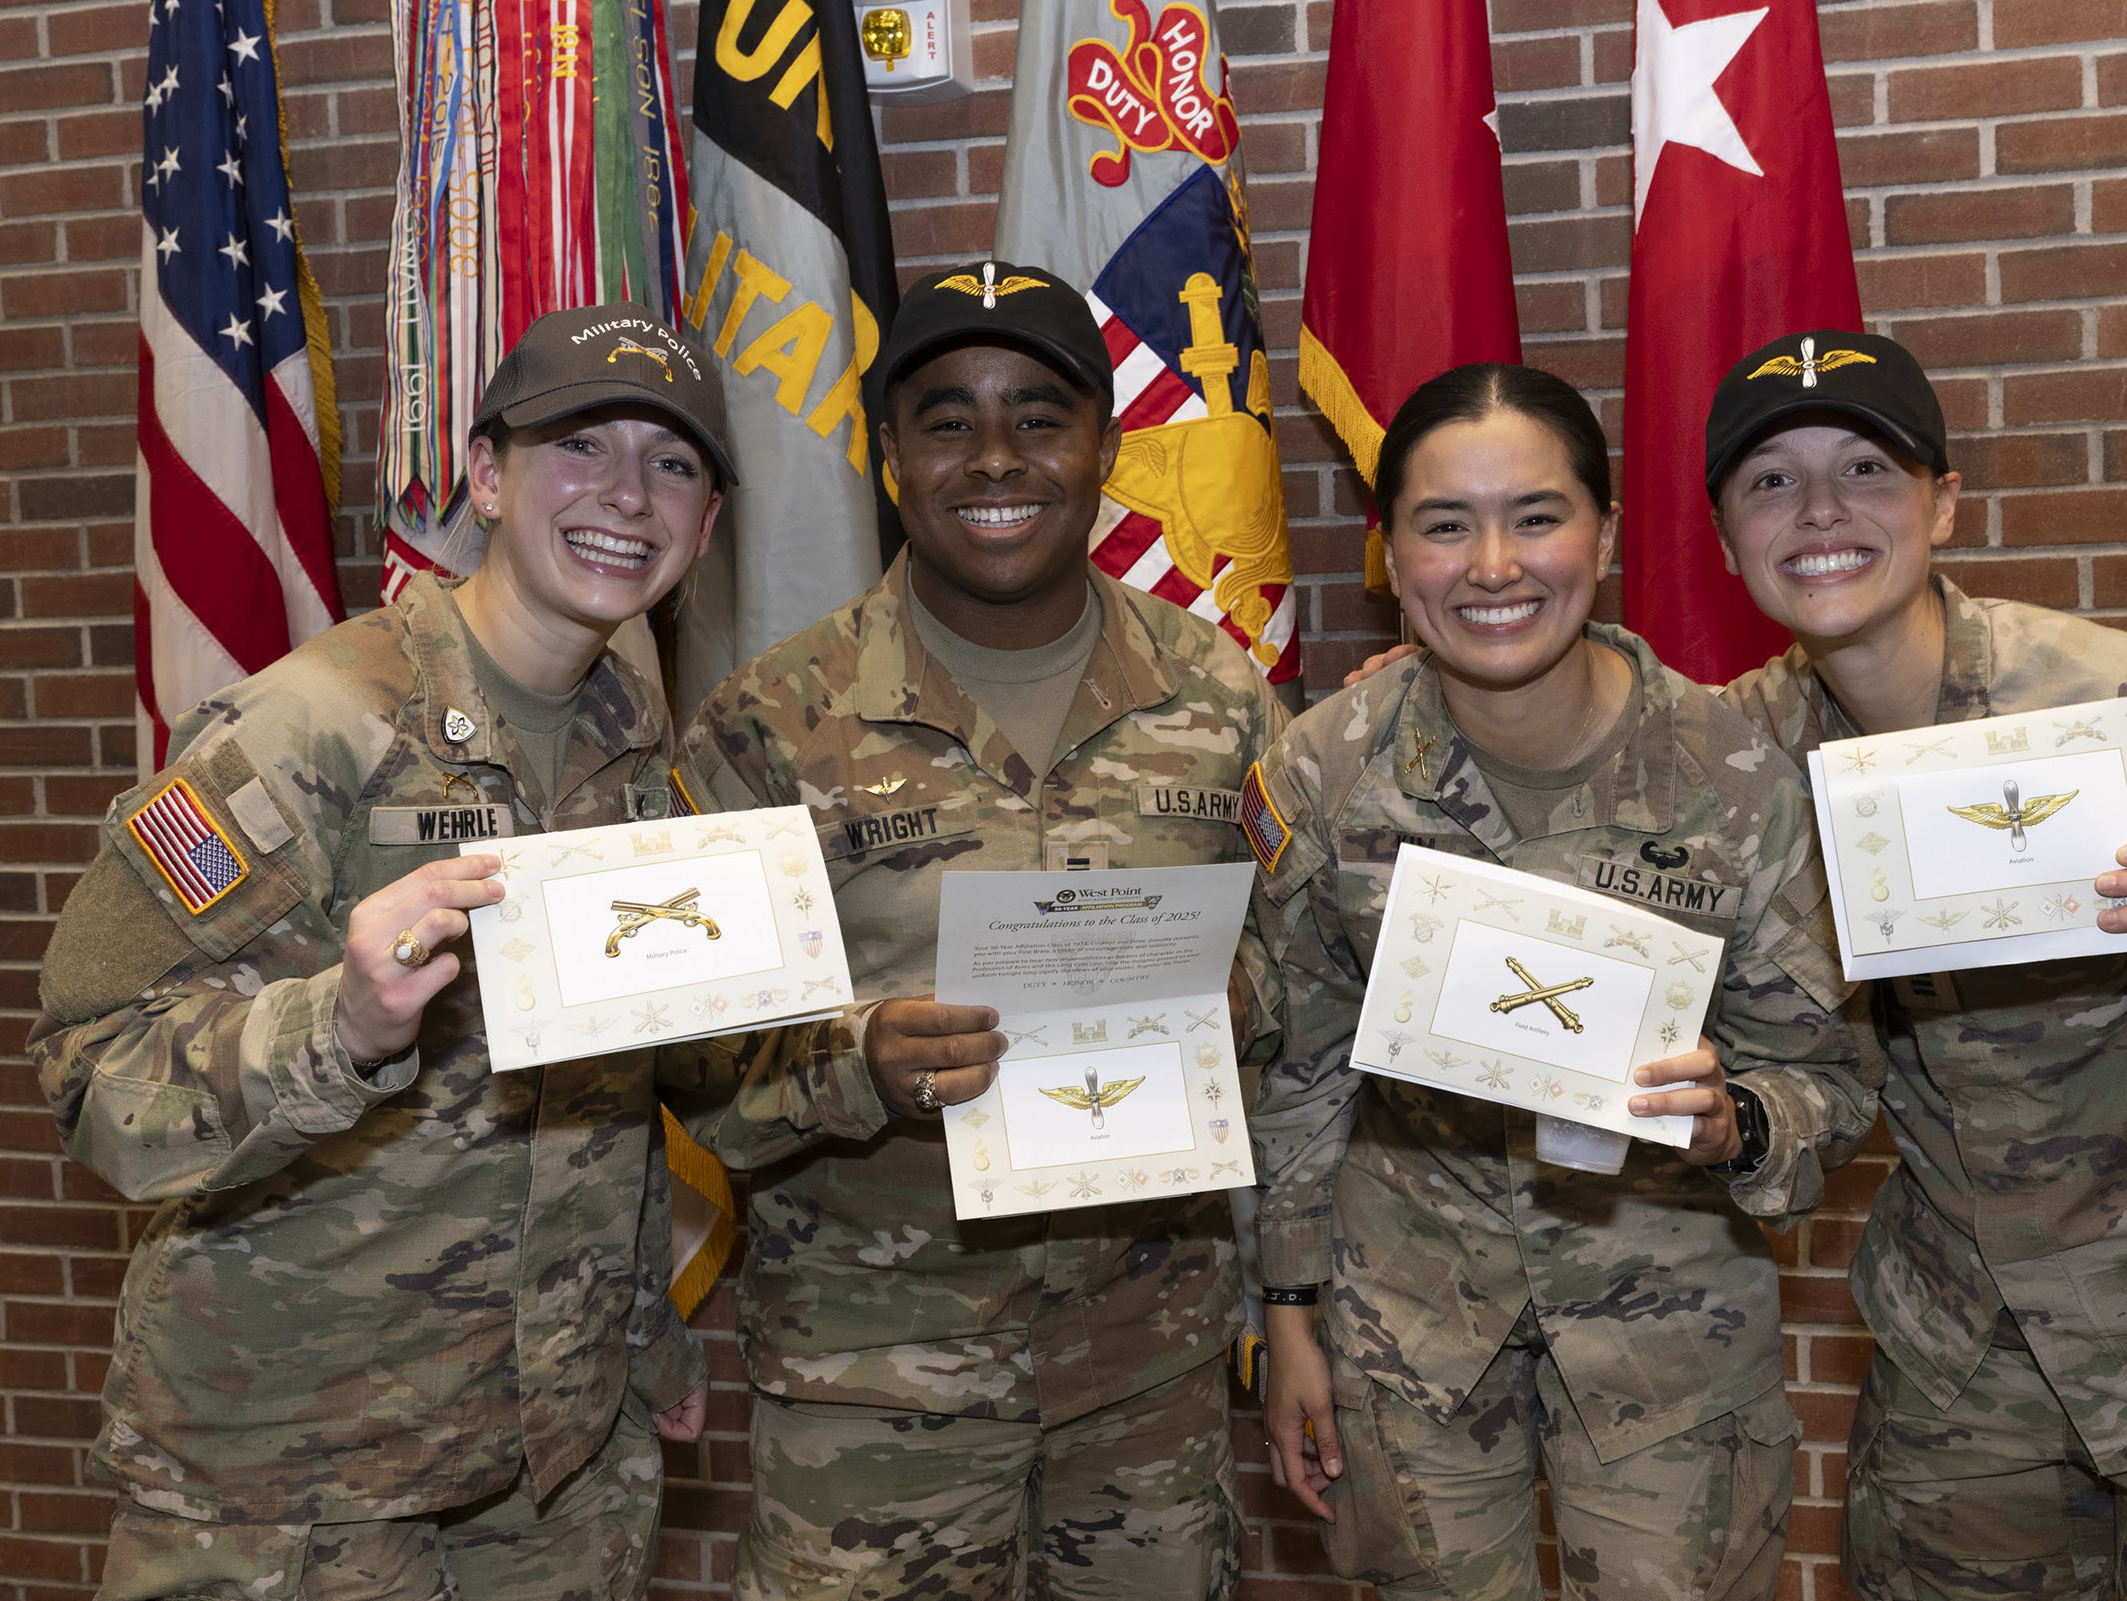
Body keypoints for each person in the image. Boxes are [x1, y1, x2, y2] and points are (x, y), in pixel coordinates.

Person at [30, 301, 724, 1600]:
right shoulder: (312, 726)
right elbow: (89, 1064)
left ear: (708, 522)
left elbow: (605, 1080)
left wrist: (642, 1335)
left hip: (551, 1452)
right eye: (582, 443)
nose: (629, 495)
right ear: (486, 476)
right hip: (301, 1470)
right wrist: (338, 1029)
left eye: (673, 462)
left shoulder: (628, 730)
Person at [1705, 329, 2127, 1598]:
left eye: (1866, 467)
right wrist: (1421, 687)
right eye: (1770, 480)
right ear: (1724, 536)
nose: (1819, 511)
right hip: (1971, 1382)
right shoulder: (1728, 765)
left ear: (1944, 503)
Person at [663, 259, 1285, 1601]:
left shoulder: (1219, 696)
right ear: (891, 457)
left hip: (1147, 1370)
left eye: (1038, 417)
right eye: (947, 421)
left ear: (1103, 446)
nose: (996, 456)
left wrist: (1242, 998)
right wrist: (855, 1060)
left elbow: (1309, 974)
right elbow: (685, 1052)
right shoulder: (772, 721)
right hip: (876, 1379)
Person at [1245, 362, 1882, 1600]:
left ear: (1605, 535)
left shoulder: (1738, 780)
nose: (1493, 565)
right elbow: (1296, 1071)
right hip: (1411, 1330)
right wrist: (1285, 1311)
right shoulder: (1325, 771)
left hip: (1669, 1339)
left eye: (1536, 516)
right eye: (1445, 524)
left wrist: (1739, 1120)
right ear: (1391, 554)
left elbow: (1831, 1077)